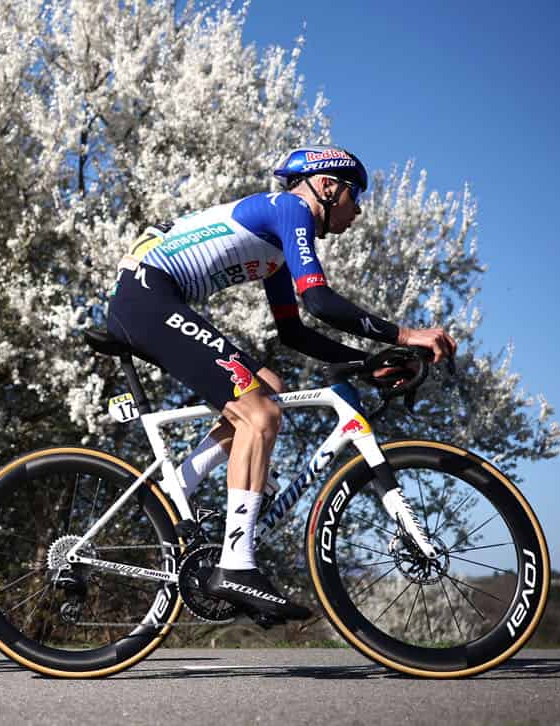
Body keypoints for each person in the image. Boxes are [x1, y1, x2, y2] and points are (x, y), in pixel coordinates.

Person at [103, 146, 456, 621]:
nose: (359, 208)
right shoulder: (290, 209)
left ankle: (178, 488)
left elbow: (294, 331)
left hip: (150, 296)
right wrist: (404, 333)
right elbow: (321, 301)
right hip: (147, 295)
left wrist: (366, 361)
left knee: (267, 385)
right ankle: (236, 563)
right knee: (261, 413)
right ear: (327, 186)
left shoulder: (276, 244)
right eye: (356, 194)